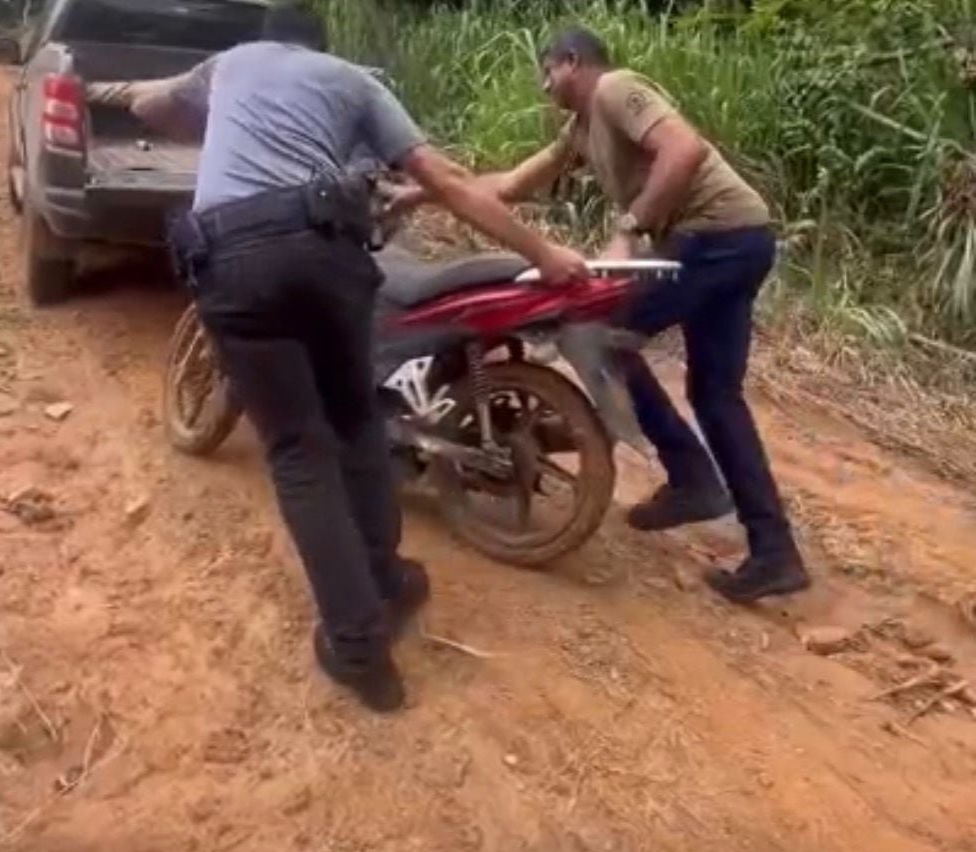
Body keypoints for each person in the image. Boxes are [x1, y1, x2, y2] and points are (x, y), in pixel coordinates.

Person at [168, 2, 589, 712]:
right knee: (357, 423)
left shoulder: (230, 66)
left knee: (300, 452)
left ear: (267, 41)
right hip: (330, 258)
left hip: (234, 260)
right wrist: (546, 254)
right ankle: (388, 580)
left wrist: (120, 100)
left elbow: (157, 105)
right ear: (322, 47)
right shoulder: (355, 83)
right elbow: (450, 181)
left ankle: (359, 648)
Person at [392, 27, 809, 604]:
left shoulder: (615, 89)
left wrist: (628, 229)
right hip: (741, 240)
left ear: (572, 61)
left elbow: (683, 150)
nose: (543, 85)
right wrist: (420, 194)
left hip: (714, 240)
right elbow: (510, 185)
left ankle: (693, 478)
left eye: (548, 71)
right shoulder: (580, 131)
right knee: (716, 395)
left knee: (600, 335)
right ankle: (775, 552)